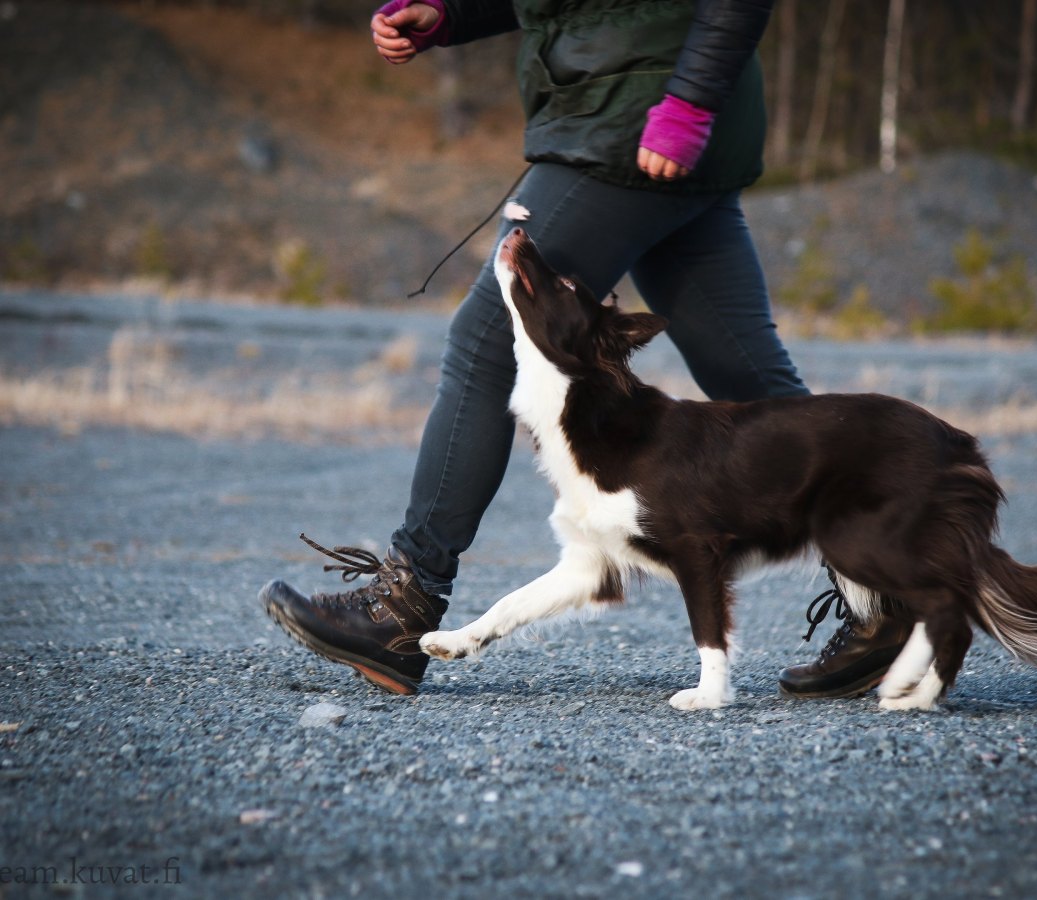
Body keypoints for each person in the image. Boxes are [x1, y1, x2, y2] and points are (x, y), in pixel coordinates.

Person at [260, 0, 910, 700]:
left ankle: (403, 605)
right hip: (645, 111)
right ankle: (887, 595)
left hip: (636, 114)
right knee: (750, 379)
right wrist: (449, 14)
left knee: (486, 344)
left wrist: (688, 100)